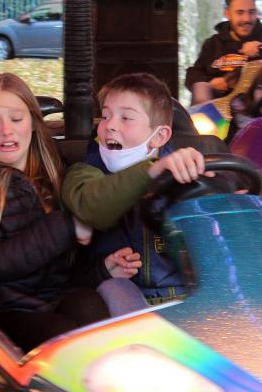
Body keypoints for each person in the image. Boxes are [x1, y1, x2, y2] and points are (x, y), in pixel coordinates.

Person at [0, 72, 147, 351]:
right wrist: (69, 226)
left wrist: (102, 269)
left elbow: (63, 268)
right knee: (65, 338)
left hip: (60, 297)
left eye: (16, 119)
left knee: (93, 314)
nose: (6, 131)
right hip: (8, 311)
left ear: (34, 123)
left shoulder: (51, 170)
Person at [62, 73, 215, 304]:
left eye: (126, 118)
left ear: (160, 136)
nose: (110, 125)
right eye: (105, 116)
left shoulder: (185, 173)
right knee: (116, 290)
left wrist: (216, 189)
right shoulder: (84, 174)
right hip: (129, 302)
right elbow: (92, 207)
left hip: (191, 298)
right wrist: (153, 169)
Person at [185, 0, 262, 105]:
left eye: (251, 12)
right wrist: (211, 82)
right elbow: (193, 74)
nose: (246, 19)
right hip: (218, 111)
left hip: (257, 107)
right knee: (201, 87)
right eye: (240, 13)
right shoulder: (213, 43)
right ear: (227, 14)